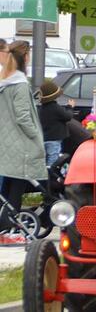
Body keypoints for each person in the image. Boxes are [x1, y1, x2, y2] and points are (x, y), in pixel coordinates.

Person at [0, 41, 46, 238]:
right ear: (24, 57)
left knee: (8, 188)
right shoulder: (19, 84)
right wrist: (36, 136)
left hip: (6, 143)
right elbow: (23, 117)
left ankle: (4, 227)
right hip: (21, 144)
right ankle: (9, 229)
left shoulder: (4, 82)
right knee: (17, 188)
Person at [37, 80, 74, 166]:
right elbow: (67, 116)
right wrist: (70, 107)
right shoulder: (55, 107)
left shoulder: (41, 108)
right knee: (53, 161)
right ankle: (51, 177)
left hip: (44, 138)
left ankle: (45, 176)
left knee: (45, 161)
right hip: (54, 139)